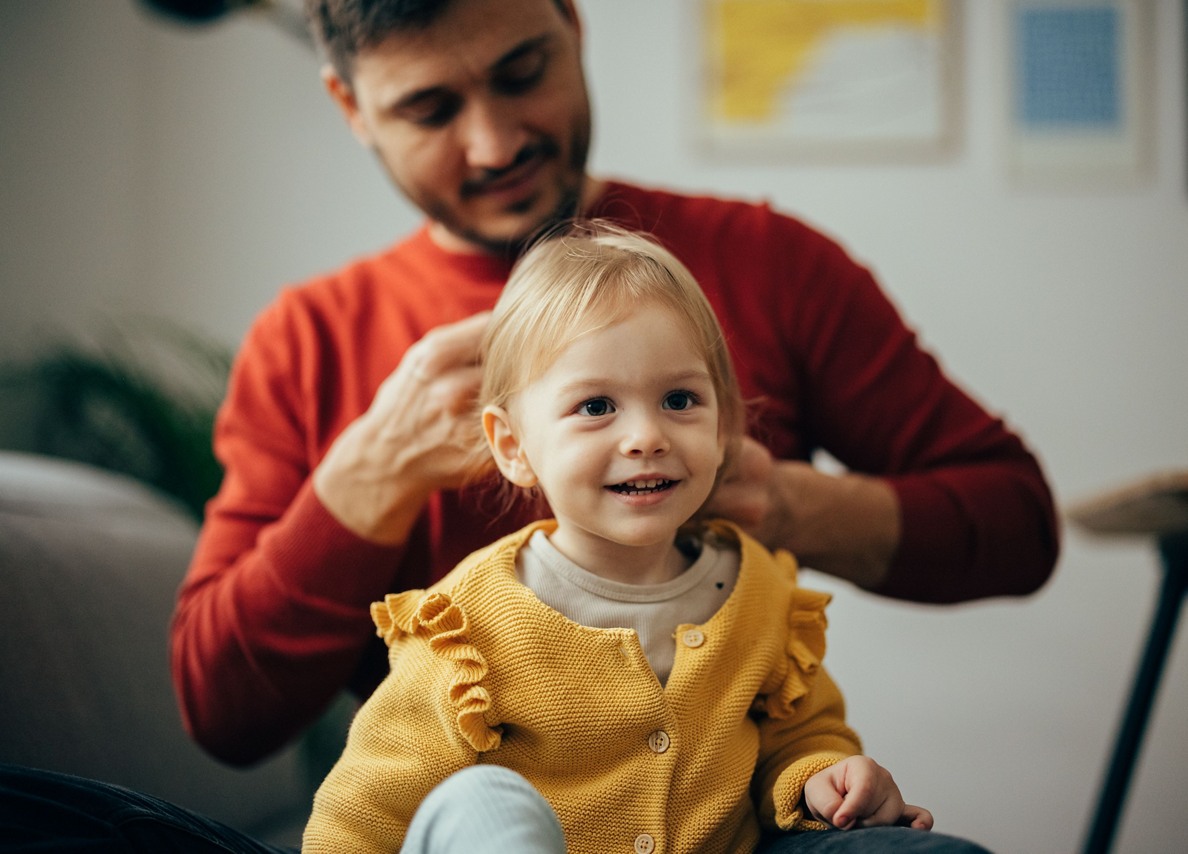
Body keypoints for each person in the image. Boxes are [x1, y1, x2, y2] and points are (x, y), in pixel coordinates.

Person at [171, 0, 1060, 770]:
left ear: (572, 21)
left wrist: (783, 506)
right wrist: (369, 478)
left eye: (523, 73)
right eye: (429, 109)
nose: (495, 142)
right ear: (351, 108)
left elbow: (1019, 522)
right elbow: (221, 715)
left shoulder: (771, 264)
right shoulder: (307, 343)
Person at [302, 224, 983, 854]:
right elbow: (364, 812)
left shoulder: (760, 589)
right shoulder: (466, 626)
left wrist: (822, 778)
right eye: (596, 407)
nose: (647, 436)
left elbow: (799, 734)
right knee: (482, 804)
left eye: (680, 400)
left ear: (723, 428)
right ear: (513, 446)